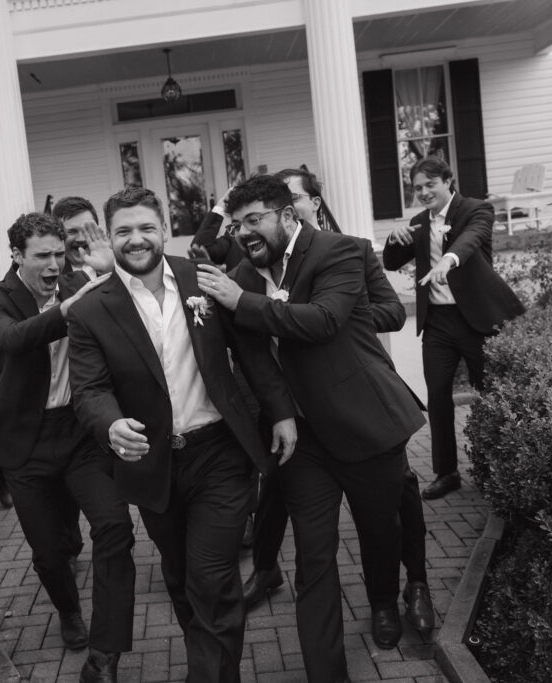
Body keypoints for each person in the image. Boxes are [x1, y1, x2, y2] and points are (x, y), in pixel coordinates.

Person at [197, 174, 426, 682]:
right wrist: (279, 411)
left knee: (379, 528)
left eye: (253, 221)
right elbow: (254, 353)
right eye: (237, 225)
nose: (244, 233)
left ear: (286, 215)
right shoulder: (245, 271)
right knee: (313, 556)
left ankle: (385, 602)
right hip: (299, 439)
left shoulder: (339, 251)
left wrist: (242, 302)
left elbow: (324, 320)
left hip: (363, 421)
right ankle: (328, 674)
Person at [67, 187, 298, 683]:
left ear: (164, 228)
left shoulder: (204, 280)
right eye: (124, 230)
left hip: (219, 453)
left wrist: (280, 411)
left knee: (211, 578)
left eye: (146, 227)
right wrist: (110, 423)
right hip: (153, 466)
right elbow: (88, 389)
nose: (137, 239)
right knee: (180, 579)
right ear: (111, 237)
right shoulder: (91, 311)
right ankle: (214, 669)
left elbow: (253, 354)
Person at [0, 213, 133, 683]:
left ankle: (108, 637)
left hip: (80, 432)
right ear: (17, 255)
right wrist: (65, 309)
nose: (55, 264)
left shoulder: (80, 280)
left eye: (60, 254)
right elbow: (9, 339)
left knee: (115, 524)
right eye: (43, 256)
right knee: (50, 553)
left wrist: (112, 268)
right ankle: (68, 610)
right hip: (27, 442)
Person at [383, 157, 524, 500]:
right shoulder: (417, 223)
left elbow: (471, 239)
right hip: (438, 323)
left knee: (489, 393)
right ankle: (446, 473)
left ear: (448, 181)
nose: (423, 192)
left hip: (476, 318)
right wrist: (393, 238)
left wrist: (449, 260)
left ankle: (500, 468)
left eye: (430, 184)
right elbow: (390, 262)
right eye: (417, 188)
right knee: (438, 396)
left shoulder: (477, 210)